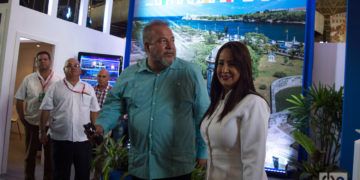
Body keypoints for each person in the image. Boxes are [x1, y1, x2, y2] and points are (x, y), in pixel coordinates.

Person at [94, 20, 210, 180]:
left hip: (177, 168)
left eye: (172, 40)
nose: (171, 46)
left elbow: (203, 114)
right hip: (141, 167)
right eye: (163, 41)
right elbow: (114, 105)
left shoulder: (190, 73)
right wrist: (101, 125)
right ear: (148, 47)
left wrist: (203, 151)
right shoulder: (129, 75)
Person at [200, 41, 270, 180]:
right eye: (220, 63)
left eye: (232, 64)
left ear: (243, 68)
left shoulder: (253, 104)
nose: (224, 70)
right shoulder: (218, 102)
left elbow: (254, 162)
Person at [39, 58, 100, 180]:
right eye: (69, 66)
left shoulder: (88, 88)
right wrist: (42, 131)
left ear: (80, 70)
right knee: (60, 174)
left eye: (76, 65)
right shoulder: (54, 88)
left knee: (83, 174)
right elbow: (45, 109)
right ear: (64, 69)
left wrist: (95, 130)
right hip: (60, 139)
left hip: (83, 139)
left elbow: (94, 110)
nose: (73, 67)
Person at [15, 51, 61, 180]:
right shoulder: (28, 79)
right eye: (40, 60)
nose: (42, 62)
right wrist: (22, 118)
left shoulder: (58, 80)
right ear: (36, 62)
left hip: (51, 125)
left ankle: (48, 177)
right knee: (30, 156)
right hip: (32, 123)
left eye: (45, 59)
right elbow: (19, 99)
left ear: (50, 61)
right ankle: (29, 177)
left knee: (51, 157)